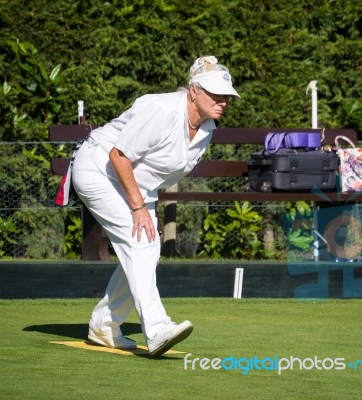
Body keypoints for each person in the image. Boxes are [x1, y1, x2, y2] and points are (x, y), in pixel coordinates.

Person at [71, 55, 240, 358]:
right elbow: (119, 155)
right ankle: (157, 327)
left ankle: (104, 325)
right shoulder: (160, 108)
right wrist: (138, 207)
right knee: (141, 244)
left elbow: (154, 170)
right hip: (97, 168)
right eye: (215, 93)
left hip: (130, 182)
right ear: (193, 91)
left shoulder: (207, 128)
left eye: (226, 95)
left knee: (147, 246)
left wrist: (141, 202)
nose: (223, 101)